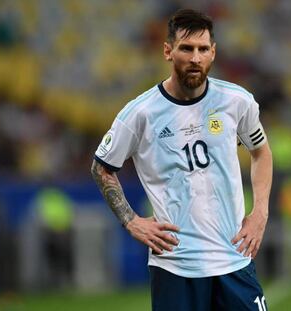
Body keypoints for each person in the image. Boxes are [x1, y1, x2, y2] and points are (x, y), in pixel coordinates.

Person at [91, 8, 272, 311]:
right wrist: (131, 222)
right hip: (175, 267)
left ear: (213, 53)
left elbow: (261, 151)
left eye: (203, 49)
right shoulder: (140, 114)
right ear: (168, 51)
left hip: (233, 258)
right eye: (186, 48)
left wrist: (260, 213)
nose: (195, 58)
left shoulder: (237, 102)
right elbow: (101, 168)